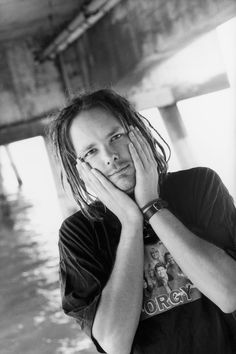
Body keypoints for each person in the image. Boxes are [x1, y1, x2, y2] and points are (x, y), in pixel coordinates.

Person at [49, 89, 236, 354]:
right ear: (79, 168)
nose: (110, 156)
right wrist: (131, 223)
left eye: (116, 136)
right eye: (91, 152)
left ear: (137, 132)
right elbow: (114, 344)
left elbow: (230, 294)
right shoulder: (79, 232)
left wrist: (151, 206)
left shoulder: (199, 185)